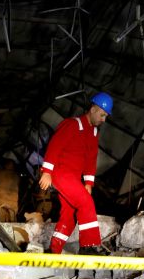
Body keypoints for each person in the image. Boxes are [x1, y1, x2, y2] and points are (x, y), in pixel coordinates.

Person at [39, 92, 112, 255]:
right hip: (61, 174)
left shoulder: (94, 133)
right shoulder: (72, 124)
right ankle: (89, 246)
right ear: (93, 109)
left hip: (74, 178)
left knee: (69, 215)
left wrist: (88, 183)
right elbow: (54, 146)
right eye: (102, 115)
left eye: (106, 116)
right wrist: (47, 172)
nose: (104, 119)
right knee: (86, 203)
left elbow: (91, 160)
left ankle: (54, 249)